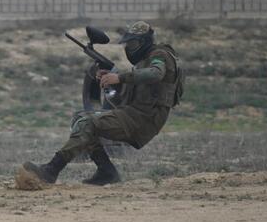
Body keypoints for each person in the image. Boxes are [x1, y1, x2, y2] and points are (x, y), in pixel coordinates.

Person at [21, 21, 183, 186]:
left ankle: (51, 170)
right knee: (81, 118)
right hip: (133, 114)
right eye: (128, 44)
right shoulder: (143, 62)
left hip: (145, 119)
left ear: (145, 42)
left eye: (133, 44)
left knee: (87, 123)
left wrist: (119, 77)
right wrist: (111, 80)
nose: (129, 48)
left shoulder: (159, 55)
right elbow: (125, 97)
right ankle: (106, 171)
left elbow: (156, 73)